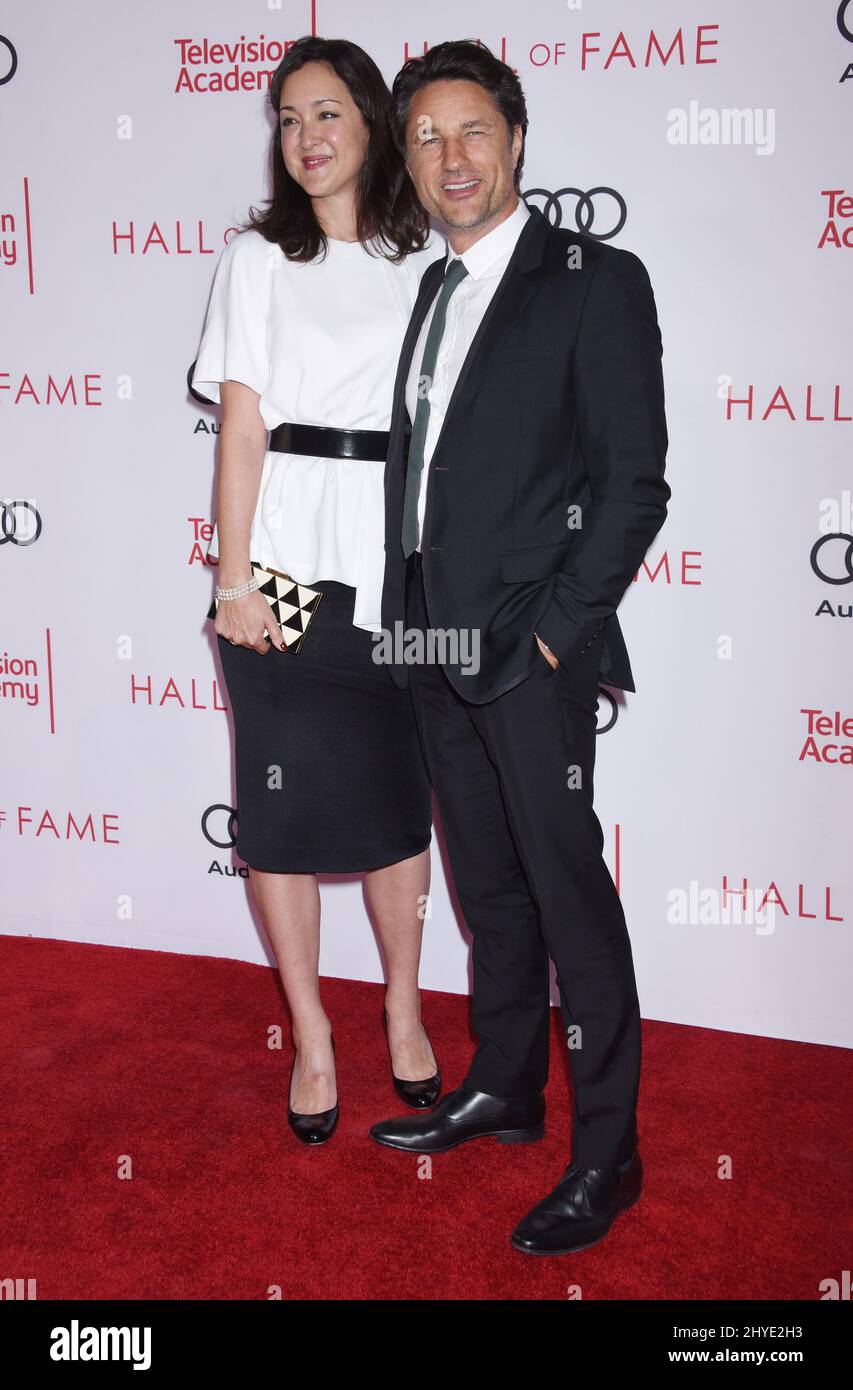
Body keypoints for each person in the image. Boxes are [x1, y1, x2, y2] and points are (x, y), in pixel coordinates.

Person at [369, 41, 670, 1256]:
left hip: (531, 650)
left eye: (472, 131)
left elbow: (633, 482)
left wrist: (555, 634)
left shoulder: (595, 279)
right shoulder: (430, 289)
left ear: (518, 139)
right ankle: (505, 1085)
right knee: (489, 892)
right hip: (433, 636)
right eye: (428, 138)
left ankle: (609, 1151)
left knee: (568, 899)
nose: (451, 157)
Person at [192, 36, 447, 1146]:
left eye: (329, 112)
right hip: (285, 573)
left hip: (399, 570)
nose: (307, 137)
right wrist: (233, 575)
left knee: (398, 807)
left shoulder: (424, 255)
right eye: (289, 118)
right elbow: (242, 427)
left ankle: (400, 1003)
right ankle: (309, 1030)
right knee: (281, 817)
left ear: (372, 123)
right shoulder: (257, 258)